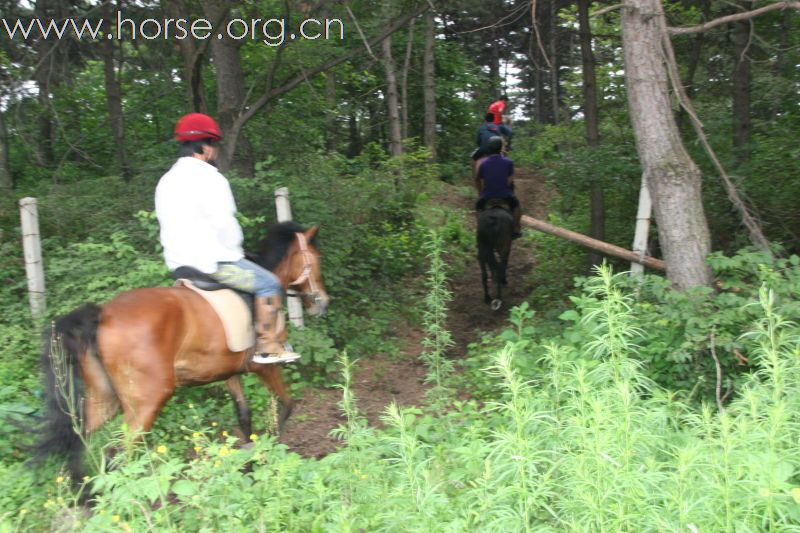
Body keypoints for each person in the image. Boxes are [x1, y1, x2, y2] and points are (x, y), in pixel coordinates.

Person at [155, 112, 300, 365]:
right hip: (214, 264)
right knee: (269, 282)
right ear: (204, 146)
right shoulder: (212, 178)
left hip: (179, 265)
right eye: (214, 144)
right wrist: (236, 251)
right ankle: (268, 347)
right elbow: (226, 224)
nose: (216, 150)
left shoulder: (165, 180)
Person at [474, 136, 522, 239]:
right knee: (517, 207)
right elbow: (510, 179)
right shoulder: (509, 162)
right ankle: (516, 229)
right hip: (505, 195)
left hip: (487, 195)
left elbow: (477, 180)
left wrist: (480, 192)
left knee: (478, 207)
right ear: (501, 148)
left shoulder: (483, 164)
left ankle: (479, 231)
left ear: (489, 148)